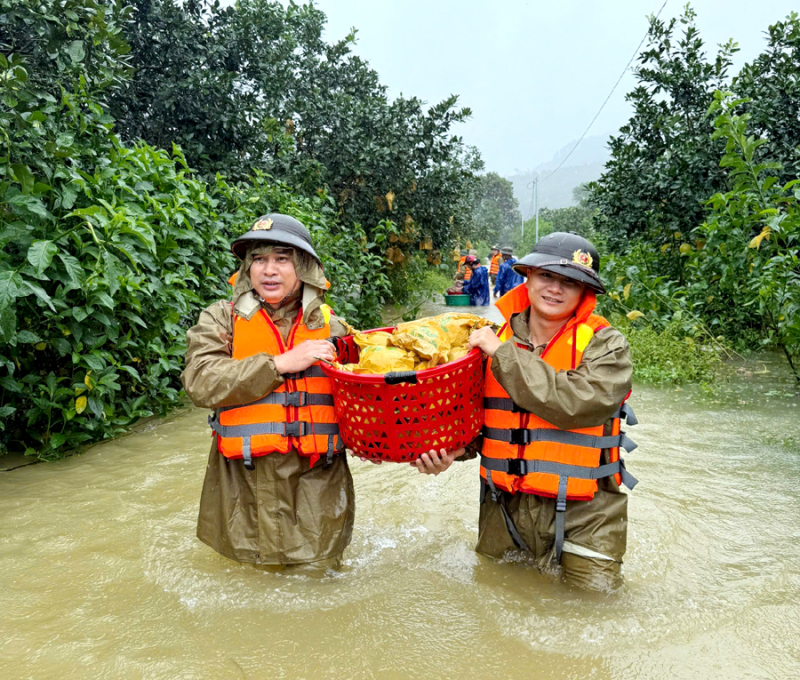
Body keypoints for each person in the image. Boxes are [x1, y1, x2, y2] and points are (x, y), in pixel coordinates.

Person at [414, 232, 638, 592]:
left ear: (586, 292)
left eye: (570, 282)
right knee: (495, 606)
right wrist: (451, 451)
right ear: (528, 277)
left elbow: (577, 404)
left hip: (588, 514)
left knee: (595, 614)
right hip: (503, 509)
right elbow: (472, 421)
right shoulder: (486, 339)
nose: (555, 289)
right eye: (547, 276)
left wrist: (502, 354)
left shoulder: (607, 344)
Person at [181, 214, 356, 568]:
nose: (268, 270)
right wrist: (278, 364)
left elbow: (367, 405)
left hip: (317, 490)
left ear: (303, 266)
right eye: (258, 259)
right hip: (241, 491)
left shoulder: (335, 329)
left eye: (281, 258)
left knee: (318, 583)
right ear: (247, 268)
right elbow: (199, 381)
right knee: (246, 587)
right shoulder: (221, 319)